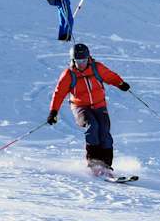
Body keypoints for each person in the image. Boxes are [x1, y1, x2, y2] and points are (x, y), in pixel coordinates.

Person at [47, 43, 132, 175]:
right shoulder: (68, 74)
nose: (82, 64)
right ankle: (94, 163)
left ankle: (106, 165)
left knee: (104, 129)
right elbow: (59, 93)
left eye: (84, 60)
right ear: (73, 60)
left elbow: (110, 76)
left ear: (89, 58)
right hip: (80, 106)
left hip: (99, 104)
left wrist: (120, 83)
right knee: (92, 126)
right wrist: (53, 112)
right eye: (78, 61)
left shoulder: (97, 68)